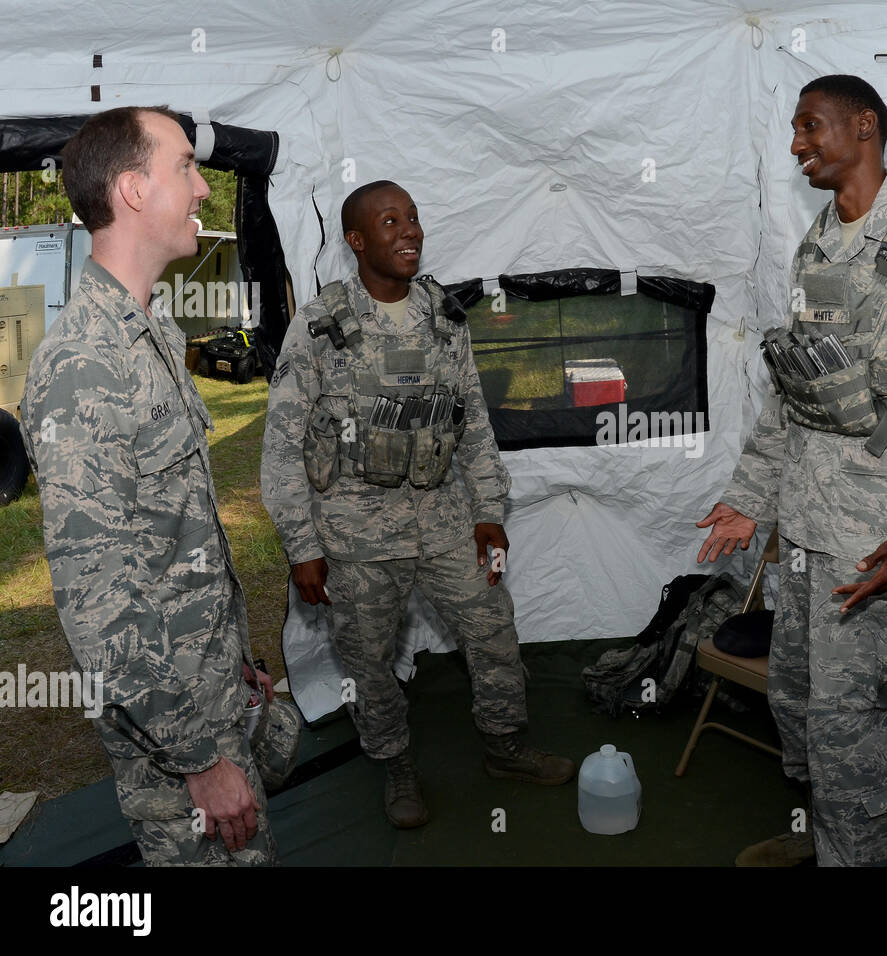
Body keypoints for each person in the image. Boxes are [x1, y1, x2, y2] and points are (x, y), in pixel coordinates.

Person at [697, 75, 887, 866]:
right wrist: (748, 500)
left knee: (850, 727)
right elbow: (792, 393)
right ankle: (824, 834)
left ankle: (852, 852)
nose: (797, 144)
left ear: (864, 127)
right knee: (794, 697)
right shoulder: (816, 243)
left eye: (810, 127)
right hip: (800, 524)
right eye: (795, 130)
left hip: (873, 542)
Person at [261, 180, 575, 829]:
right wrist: (303, 547)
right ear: (357, 240)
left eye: (412, 218)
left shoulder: (445, 317)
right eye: (389, 221)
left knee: (492, 629)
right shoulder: (321, 325)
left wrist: (489, 509)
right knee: (368, 660)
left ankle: (506, 745)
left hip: (444, 518)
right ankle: (396, 763)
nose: (409, 231)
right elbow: (283, 443)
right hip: (354, 533)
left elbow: (475, 423)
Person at [20, 106, 276, 865]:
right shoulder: (83, 367)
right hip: (175, 737)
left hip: (211, 690)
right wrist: (198, 761)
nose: (203, 188)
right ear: (133, 190)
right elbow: (100, 602)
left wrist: (234, 661)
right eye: (186, 167)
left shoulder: (155, 331)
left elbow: (172, 529)